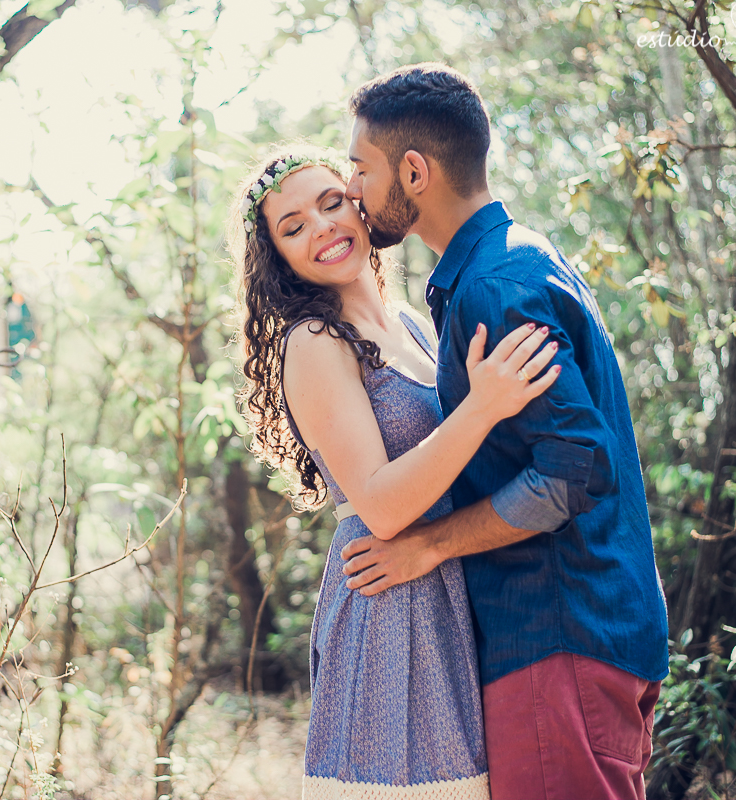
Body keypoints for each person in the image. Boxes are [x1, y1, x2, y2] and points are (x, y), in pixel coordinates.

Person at [339, 62, 670, 800]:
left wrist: (428, 544)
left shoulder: (494, 286)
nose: (352, 189)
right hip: (582, 637)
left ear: (414, 171)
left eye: (360, 168)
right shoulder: (515, 256)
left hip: (557, 640)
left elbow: (573, 468)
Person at [230, 148, 559, 800]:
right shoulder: (314, 343)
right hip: (385, 596)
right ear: (280, 258)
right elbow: (379, 505)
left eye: (330, 203)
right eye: (293, 227)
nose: (321, 228)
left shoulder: (411, 321)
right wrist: (484, 405)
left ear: (358, 200)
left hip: (445, 584)